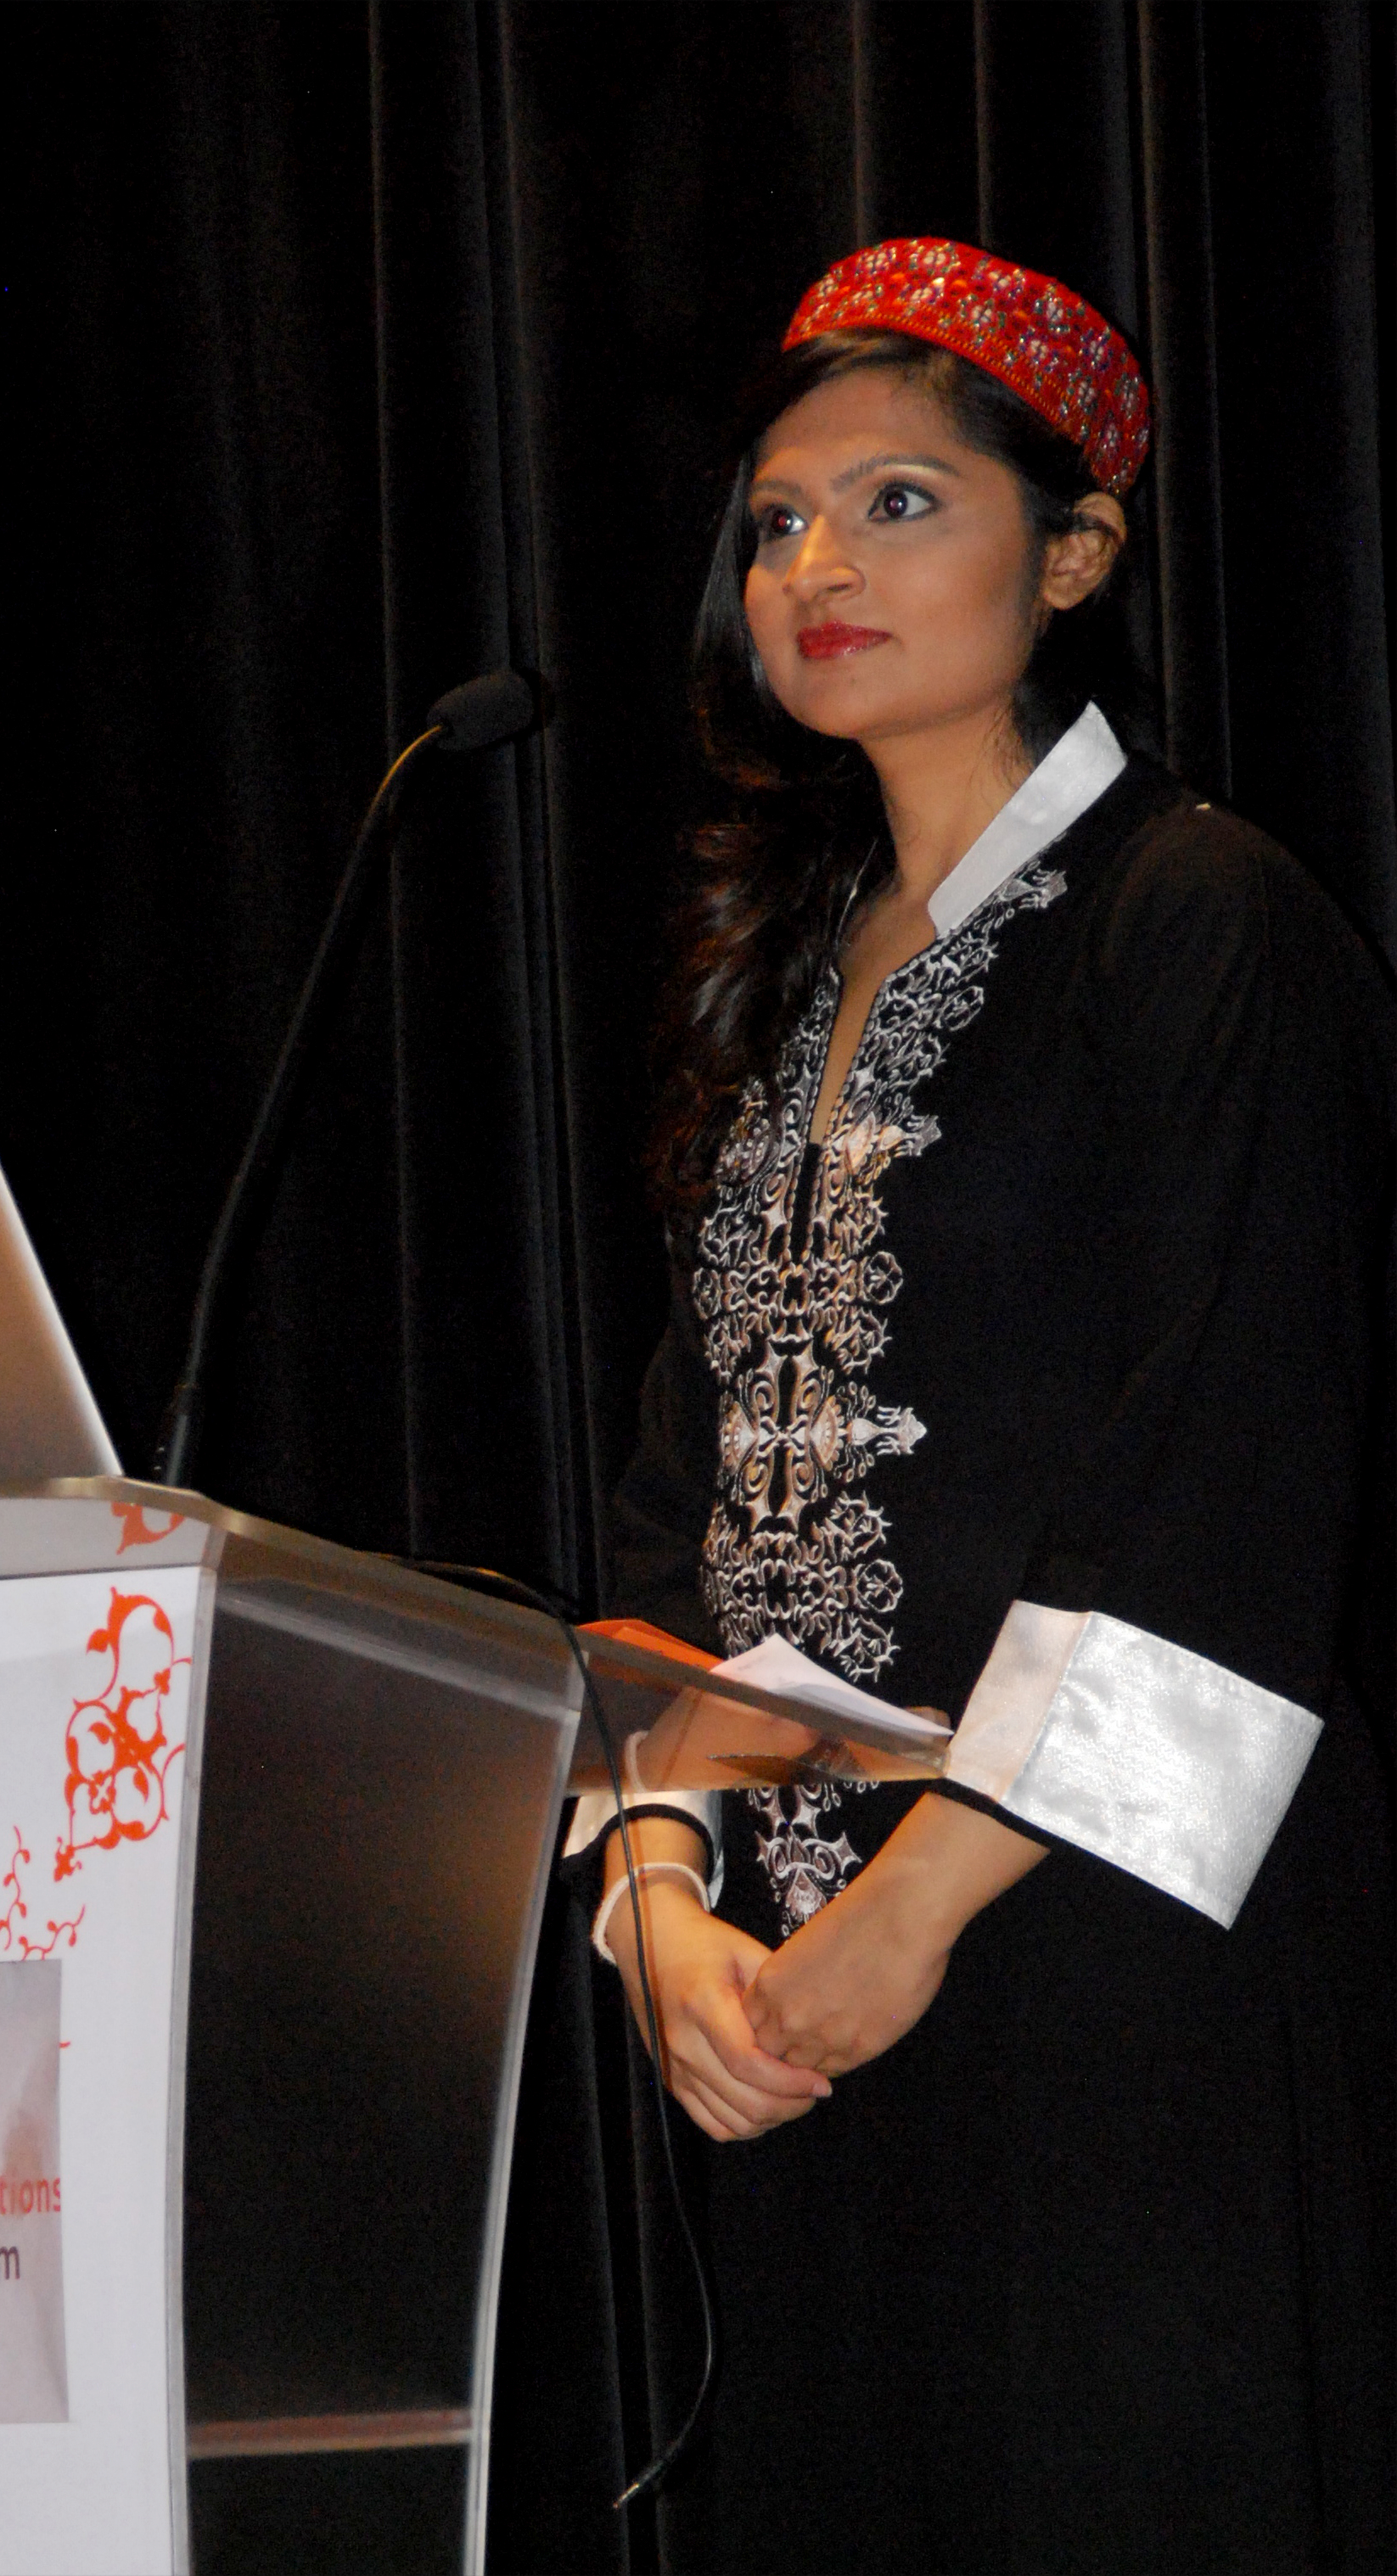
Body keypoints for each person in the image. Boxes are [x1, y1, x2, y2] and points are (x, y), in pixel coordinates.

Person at [564, 240, 1394, 2573]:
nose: (814, 565)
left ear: (1075, 546)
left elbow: (1232, 1474)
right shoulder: (773, 980)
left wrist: (912, 1910)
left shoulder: (1197, 915)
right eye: (774, 519)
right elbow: (679, 1488)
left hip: (1108, 1967)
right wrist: (659, 1895)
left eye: (899, 503)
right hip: (799, 1997)